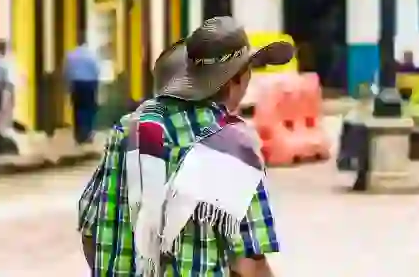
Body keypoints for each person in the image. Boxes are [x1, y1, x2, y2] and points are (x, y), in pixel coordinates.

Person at [78, 16, 289, 277]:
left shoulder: (128, 129)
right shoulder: (233, 144)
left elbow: (90, 229)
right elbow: (249, 263)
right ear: (238, 78)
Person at [65, 36, 102, 145]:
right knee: (89, 109)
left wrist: (68, 86)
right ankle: (88, 133)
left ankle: (79, 134)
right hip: (90, 84)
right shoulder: (92, 55)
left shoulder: (71, 55)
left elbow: (67, 71)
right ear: (86, 43)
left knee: (77, 109)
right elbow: (97, 71)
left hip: (76, 84)